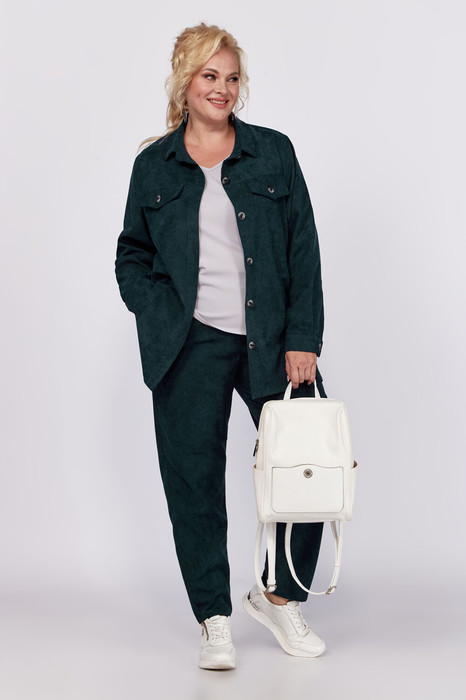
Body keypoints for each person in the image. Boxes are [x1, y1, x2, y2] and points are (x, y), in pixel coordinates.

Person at [115, 23, 327, 670]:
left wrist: (302, 338)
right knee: (194, 482)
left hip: (273, 341)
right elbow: (132, 255)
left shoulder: (272, 152)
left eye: (232, 78)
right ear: (185, 81)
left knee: (306, 465)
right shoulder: (154, 165)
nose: (223, 89)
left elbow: (302, 247)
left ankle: (280, 597)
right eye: (210, 76)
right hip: (189, 344)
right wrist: (159, 312)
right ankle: (214, 618)